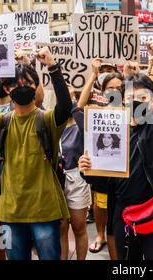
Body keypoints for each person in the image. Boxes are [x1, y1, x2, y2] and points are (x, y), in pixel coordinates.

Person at [79, 41, 153, 260]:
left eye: (143, 98)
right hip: (123, 216)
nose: (136, 102)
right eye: (131, 98)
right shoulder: (113, 131)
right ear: (122, 99)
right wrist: (87, 169)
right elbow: (103, 180)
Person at [0, 47, 72, 260]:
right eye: (15, 84)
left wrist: (53, 66)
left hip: (45, 210)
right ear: (6, 88)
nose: (22, 87)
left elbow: (65, 106)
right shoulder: (0, 121)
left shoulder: (47, 120)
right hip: (10, 212)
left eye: (28, 83)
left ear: (36, 86)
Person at [78, 59, 123, 258]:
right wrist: (93, 74)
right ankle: (100, 235)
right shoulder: (95, 105)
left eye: (118, 87)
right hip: (101, 165)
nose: (113, 90)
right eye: (109, 87)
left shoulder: (130, 105)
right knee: (100, 202)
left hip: (123, 166)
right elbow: (79, 106)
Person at [59, 98, 92, 261]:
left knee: (79, 227)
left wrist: (92, 76)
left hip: (77, 178)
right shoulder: (52, 124)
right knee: (61, 227)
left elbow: (79, 108)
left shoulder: (80, 127)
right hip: (56, 179)